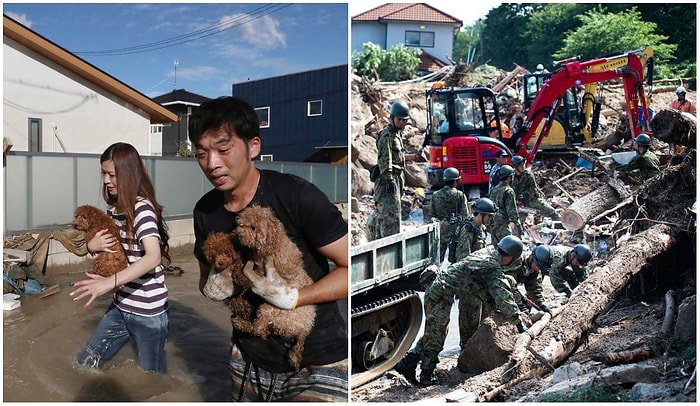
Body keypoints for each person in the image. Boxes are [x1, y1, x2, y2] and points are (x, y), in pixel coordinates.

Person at [187, 96, 348, 401]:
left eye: (223, 149)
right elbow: (204, 277)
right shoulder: (205, 213)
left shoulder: (298, 196)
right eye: (201, 153)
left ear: (253, 147)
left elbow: (352, 268)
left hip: (318, 359)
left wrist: (296, 297)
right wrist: (215, 285)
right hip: (247, 357)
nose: (212, 163)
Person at [71, 142, 171, 372]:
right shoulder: (113, 210)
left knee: (152, 378)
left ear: (128, 174)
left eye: (112, 175)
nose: (106, 180)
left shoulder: (141, 209)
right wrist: (91, 246)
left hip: (148, 313)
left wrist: (108, 283)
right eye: (103, 174)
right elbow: (113, 249)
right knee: (85, 362)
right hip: (121, 305)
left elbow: (153, 257)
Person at [394, 236, 530, 386]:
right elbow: (502, 293)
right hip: (439, 294)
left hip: (443, 291)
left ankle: (408, 363)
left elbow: (495, 285)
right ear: (510, 257)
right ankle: (426, 376)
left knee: (435, 333)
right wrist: (519, 324)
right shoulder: (491, 265)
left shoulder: (489, 253)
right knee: (436, 337)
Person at [452, 197, 498, 348]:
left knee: (484, 312)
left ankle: (479, 343)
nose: (490, 219)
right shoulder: (467, 230)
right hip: (469, 280)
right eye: (488, 216)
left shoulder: (482, 229)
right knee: (469, 316)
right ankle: (465, 346)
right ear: (480, 214)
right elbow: (463, 258)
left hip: (479, 278)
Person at [375, 100, 413, 237]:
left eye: (404, 120)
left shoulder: (397, 134)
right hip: (388, 180)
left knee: (392, 215)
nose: (402, 122)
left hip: (396, 177)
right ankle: (388, 251)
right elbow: (385, 159)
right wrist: (389, 179)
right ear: (391, 118)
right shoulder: (387, 135)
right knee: (391, 218)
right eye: (399, 119)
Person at [429, 167, 470, 262]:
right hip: (455, 230)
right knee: (455, 260)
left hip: (440, 229)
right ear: (456, 181)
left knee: (437, 259)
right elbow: (466, 215)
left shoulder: (435, 195)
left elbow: (431, 214)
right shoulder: (460, 195)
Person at [504, 244, 554, 317]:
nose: (538, 269)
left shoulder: (534, 269)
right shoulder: (515, 261)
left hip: (510, 288)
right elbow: (506, 285)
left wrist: (542, 305)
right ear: (532, 258)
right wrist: (521, 305)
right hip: (495, 285)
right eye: (538, 266)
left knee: (526, 301)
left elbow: (534, 288)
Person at [510, 155, 561, 221]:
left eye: (523, 165)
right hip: (517, 203)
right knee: (518, 220)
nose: (523, 167)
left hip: (531, 199)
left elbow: (533, 189)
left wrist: (524, 195)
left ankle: (560, 221)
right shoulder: (511, 177)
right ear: (515, 167)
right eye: (520, 166)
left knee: (550, 211)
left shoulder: (528, 175)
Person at [488, 165, 523, 246]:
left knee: (496, 250)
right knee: (508, 248)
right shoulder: (508, 191)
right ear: (509, 177)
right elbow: (512, 211)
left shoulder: (494, 189)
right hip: (503, 224)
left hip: (493, 224)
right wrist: (518, 225)